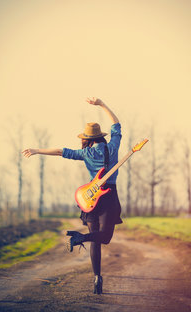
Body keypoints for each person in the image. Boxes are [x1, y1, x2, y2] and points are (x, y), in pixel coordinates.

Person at [22, 97, 122, 294]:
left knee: (96, 240)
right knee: (105, 237)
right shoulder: (112, 147)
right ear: (100, 137)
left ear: (87, 139)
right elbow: (117, 125)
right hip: (109, 196)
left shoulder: (85, 154)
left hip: (91, 198)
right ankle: (79, 238)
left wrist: (37, 150)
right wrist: (102, 104)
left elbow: (61, 151)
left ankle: (96, 279)